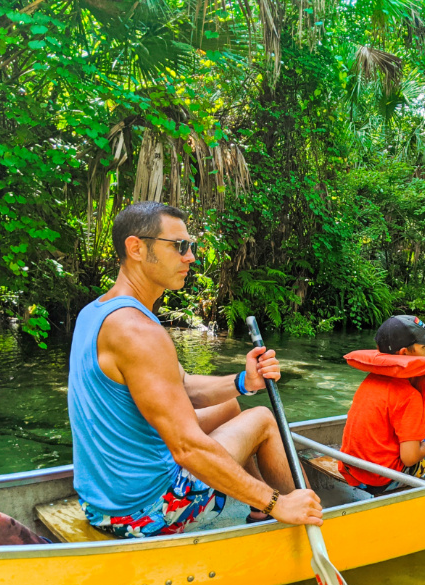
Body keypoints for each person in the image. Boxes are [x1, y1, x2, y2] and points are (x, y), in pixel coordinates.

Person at [68, 201, 322, 538]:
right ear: (136, 248)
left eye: (191, 247)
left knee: (229, 406)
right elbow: (186, 447)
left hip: (101, 504)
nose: (190, 257)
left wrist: (243, 381)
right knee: (262, 419)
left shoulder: (97, 312)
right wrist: (278, 502)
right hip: (145, 511)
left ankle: (260, 510)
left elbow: (181, 387)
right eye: (179, 246)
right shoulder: (138, 332)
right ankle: (307, 512)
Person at [338, 315, 425, 493]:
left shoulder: (372, 379)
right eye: (423, 346)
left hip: (356, 472)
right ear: (404, 353)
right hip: (384, 478)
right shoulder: (408, 396)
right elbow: (410, 458)